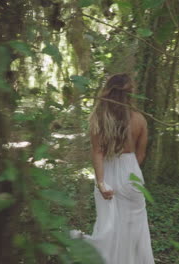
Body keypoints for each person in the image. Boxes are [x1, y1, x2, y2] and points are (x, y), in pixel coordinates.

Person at [70, 73, 155, 264]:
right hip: (132, 172)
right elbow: (141, 155)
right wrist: (129, 172)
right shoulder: (140, 119)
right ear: (130, 94)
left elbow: (97, 151)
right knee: (135, 227)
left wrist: (101, 182)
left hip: (107, 171)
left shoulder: (99, 118)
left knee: (108, 224)